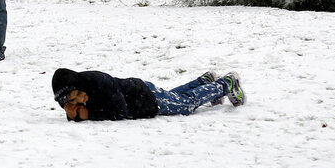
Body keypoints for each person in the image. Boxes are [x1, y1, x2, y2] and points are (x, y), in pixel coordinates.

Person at [52, 67, 246, 121]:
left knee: (186, 104)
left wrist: (90, 114)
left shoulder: (98, 81)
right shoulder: (74, 92)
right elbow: (74, 112)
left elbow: (120, 111)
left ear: (79, 84)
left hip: (143, 98)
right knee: (174, 96)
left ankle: (226, 83)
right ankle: (205, 81)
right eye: (72, 101)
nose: (80, 100)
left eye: (78, 94)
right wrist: (72, 114)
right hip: (142, 90)